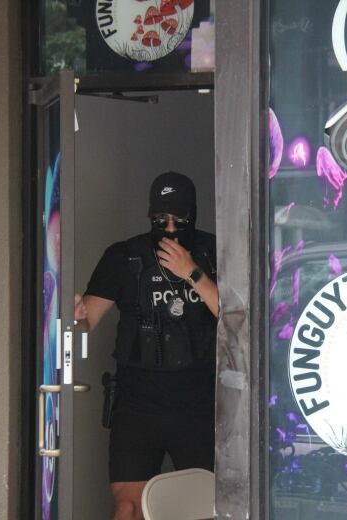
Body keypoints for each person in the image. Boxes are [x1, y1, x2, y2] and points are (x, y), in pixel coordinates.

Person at [74, 171, 218, 520]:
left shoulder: (213, 252)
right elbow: (83, 324)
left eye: (179, 220)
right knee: (127, 508)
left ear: (193, 215)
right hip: (138, 406)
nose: (170, 229)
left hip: (198, 406)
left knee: (202, 508)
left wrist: (192, 273)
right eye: (161, 219)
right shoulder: (123, 257)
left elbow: (237, 320)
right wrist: (75, 316)